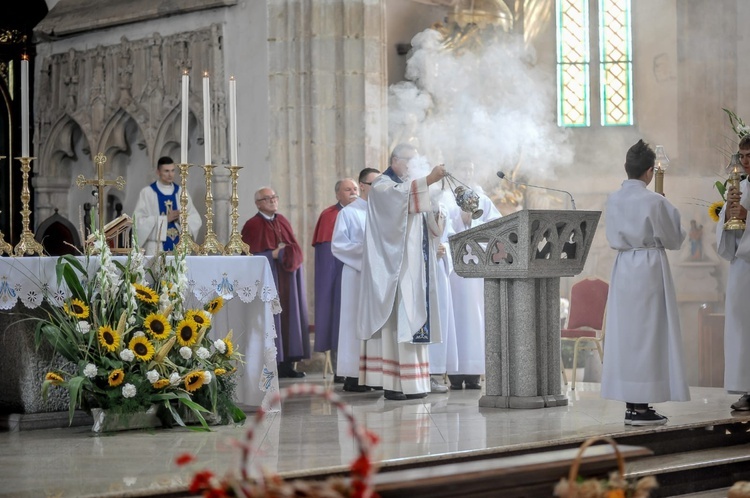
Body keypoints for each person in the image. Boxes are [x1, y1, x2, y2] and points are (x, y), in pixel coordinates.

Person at [601, 139, 690, 425]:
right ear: (650, 172)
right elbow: (675, 238)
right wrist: (664, 202)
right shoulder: (654, 200)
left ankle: (633, 404)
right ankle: (639, 407)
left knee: (629, 337)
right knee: (648, 337)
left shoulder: (612, 199)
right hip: (649, 269)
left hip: (624, 267)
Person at [357, 143, 448, 401]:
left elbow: (433, 227)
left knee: (413, 318)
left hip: (416, 265)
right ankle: (395, 384)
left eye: (414, 160)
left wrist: (436, 202)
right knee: (399, 320)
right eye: (408, 160)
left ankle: (415, 381)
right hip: (394, 268)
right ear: (394, 160)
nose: (411, 165)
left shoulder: (411, 185)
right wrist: (428, 180)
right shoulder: (382, 185)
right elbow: (400, 200)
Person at [241, 187, 310, 378]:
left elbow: (294, 246)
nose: (272, 201)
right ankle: (272, 364)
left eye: (274, 197)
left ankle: (288, 365)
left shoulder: (283, 221)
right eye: (267, 198)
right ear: (258, 203)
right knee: (272, 319)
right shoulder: (252, 225)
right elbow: (246, 257)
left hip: (287, 278)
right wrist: (271, 255)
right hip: (268, 279)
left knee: (290, 319)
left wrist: (290, 254)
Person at [447, 159, 502, 390]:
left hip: (478, 267)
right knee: (456, 317)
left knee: (477, 317)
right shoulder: (444, 198)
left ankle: (475, 372)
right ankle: (454, 372)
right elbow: (440, 225)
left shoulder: (484, 199)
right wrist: (462, 220)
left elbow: (497, 225)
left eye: (470, 168)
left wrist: (475, 221)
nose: (467, 172)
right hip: (453, 270)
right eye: (463, 168)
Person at [331, 168, 380, 392]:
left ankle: (378, 373)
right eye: (374, 184)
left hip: (380, 277)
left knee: (377, 323)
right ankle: (354, 374)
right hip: (357, 274)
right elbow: (338, 246)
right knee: (353, 322)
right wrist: (368, 252)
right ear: (362, 186)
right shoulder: (349, 213)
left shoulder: (384, 213)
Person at [312, 178, 359, 382]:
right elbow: (327, 257)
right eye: (347, 189)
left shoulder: (366, 211)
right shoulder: (329, 215)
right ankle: (343, 370)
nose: (353, 192)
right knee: (340, 320)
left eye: (356, 188)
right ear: (337, 194)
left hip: (360, 276)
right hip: (339, 278)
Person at [717, 135, 750, 411]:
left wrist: (747, 217)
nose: (745, 161)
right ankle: (748, 390)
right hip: (742, 268)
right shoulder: (738, 187)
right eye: (742, 155)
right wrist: (729, 214)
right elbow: (725, 234)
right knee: (741, 329)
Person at [133, 156, 202, 255]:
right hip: (156, 247)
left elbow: (196, 219)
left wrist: (181, 218)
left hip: (180, 245)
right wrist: (165, 220)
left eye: (173, 170)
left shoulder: (182, 193)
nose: (170, 175)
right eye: (166, 171)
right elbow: (138, 222)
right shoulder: (147, 193)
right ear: (158, 172)